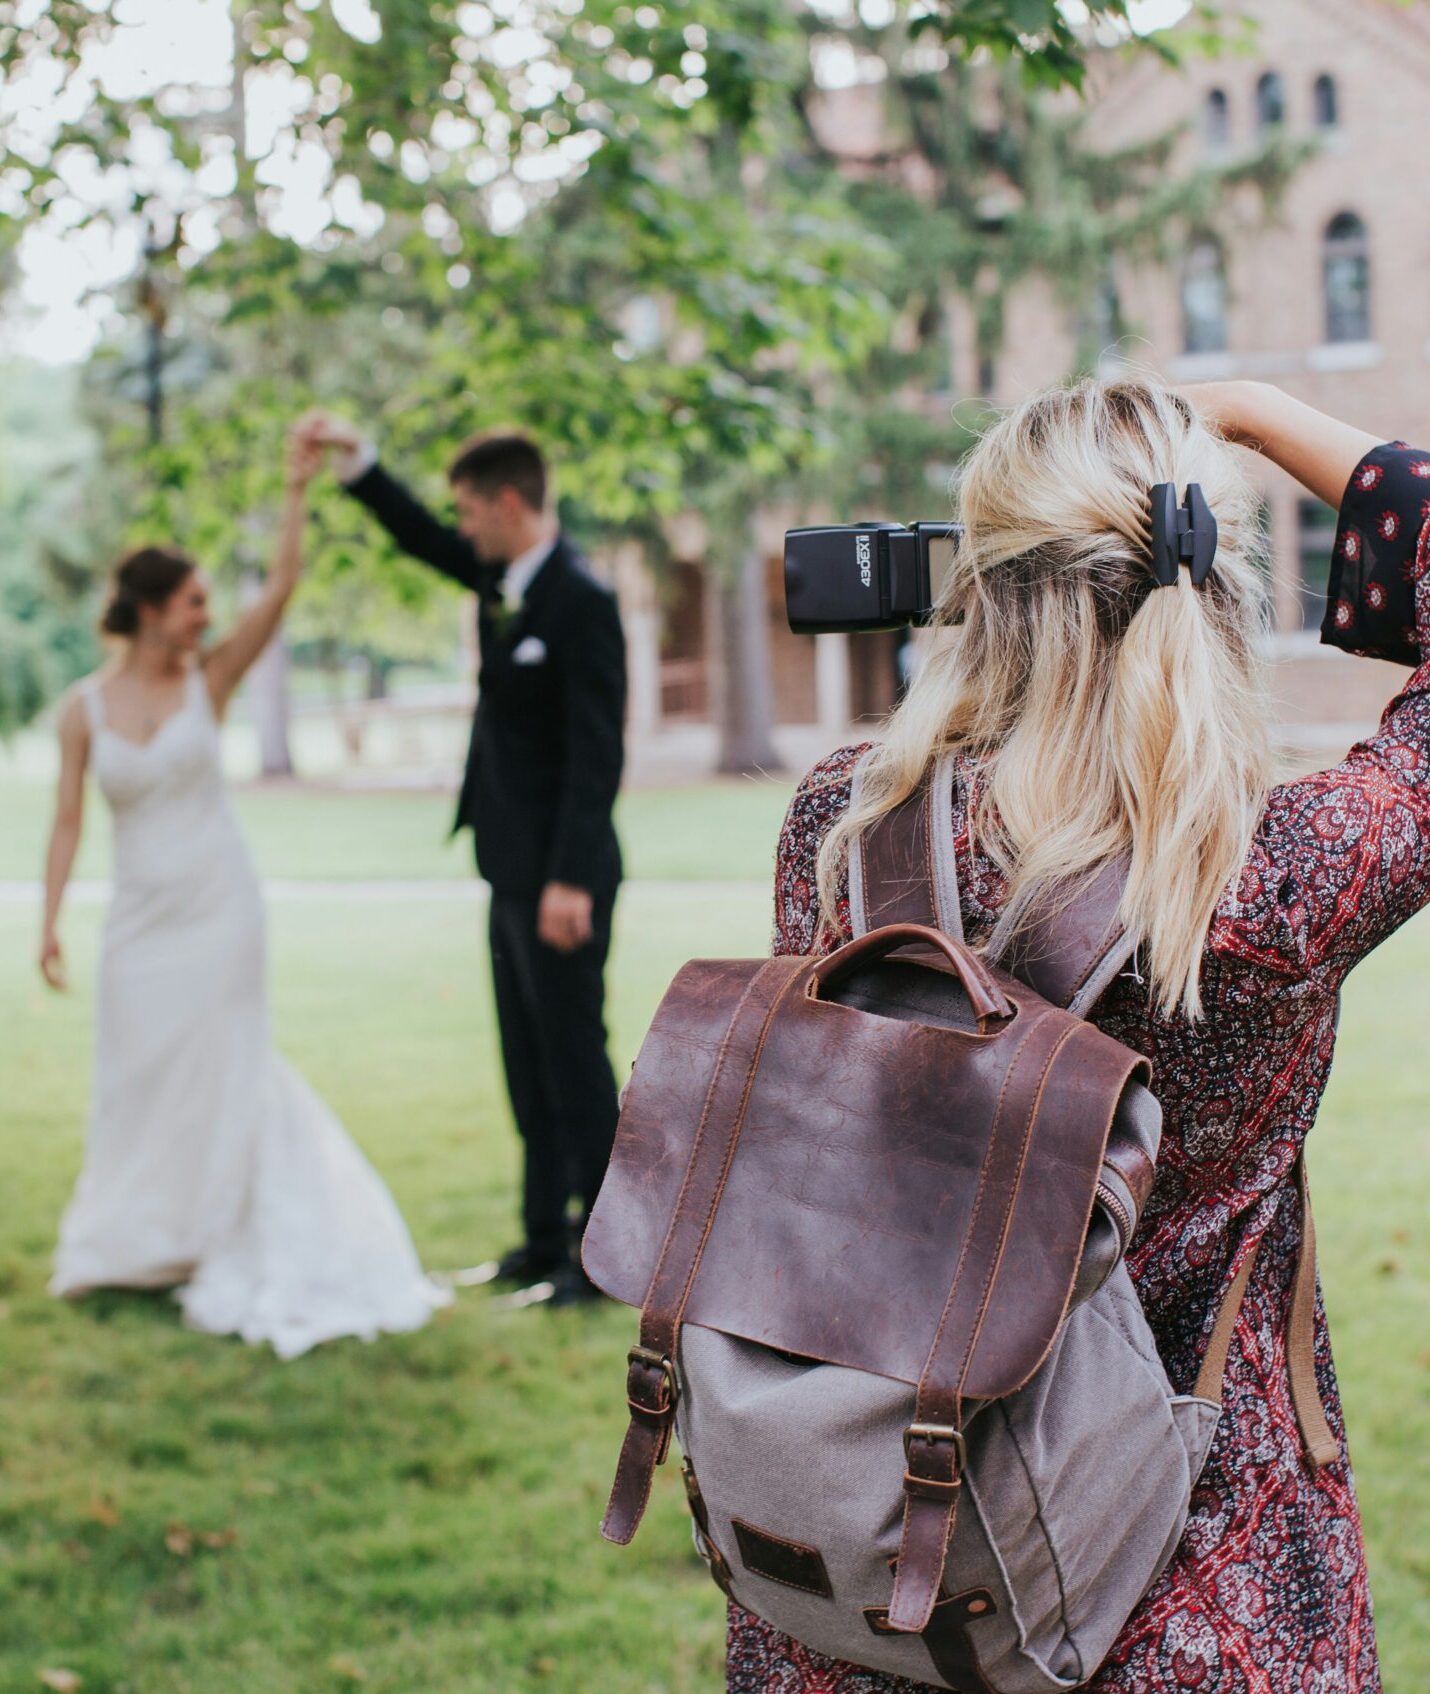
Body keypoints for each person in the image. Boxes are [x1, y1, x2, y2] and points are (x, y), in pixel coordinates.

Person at [729, 377, 1411, 1692]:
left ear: (972, 594)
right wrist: (1267, 419)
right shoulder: (1275, 877)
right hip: (1196, 1572)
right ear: (1203, 587)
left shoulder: (847, 830)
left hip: (886, 1545)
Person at [40, 429, 450, 1360]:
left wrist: (295, 489)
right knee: (139, 1073)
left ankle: (217, 1229)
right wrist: (49, 920)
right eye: (190, 603)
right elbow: (65, 822)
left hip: (220, 906)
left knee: (225, 1066)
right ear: (147, 609)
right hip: (140, 919)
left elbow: (281, 590)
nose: (203, 617)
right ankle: (136, 1240)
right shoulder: (81, 709)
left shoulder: (210, 680)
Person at [296, 412, 625, 1308]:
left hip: (564, 878)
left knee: (573, 1061)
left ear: (509, 501)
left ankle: (598, 1260)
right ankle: (536, 1241)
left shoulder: (581, 602)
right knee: (524, 1060)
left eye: (470, 510)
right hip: (507, 865)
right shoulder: (499, 580)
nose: (463, 527)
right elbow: (419, 539)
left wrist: (567, 878)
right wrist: (360, 468)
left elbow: (597, 754)